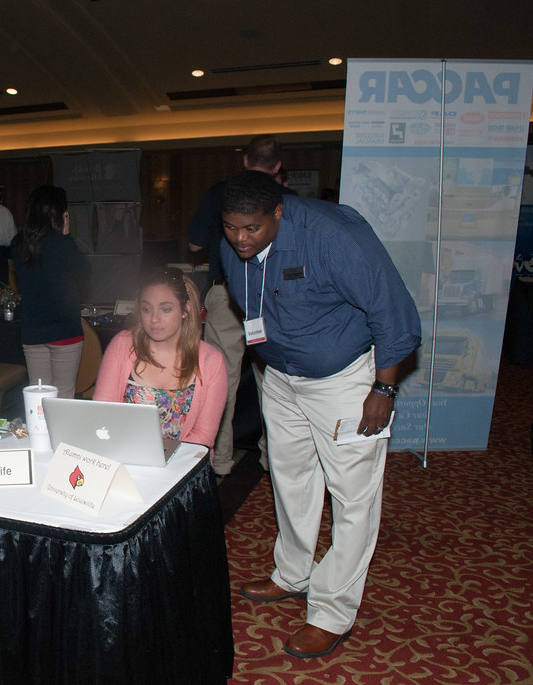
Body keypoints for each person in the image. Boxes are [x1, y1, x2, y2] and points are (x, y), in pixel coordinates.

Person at [219, 170, 421, 659]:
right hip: (282, 376)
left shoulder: (335, 238)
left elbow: (394, 312)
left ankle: (332, 611)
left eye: (252, 229)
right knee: (289, 476)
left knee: (352, 496)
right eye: (231, 228)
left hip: (345, 381)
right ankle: (292, 572)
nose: (240, 239)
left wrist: (384, 388)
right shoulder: (234, 236)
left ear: (279, 213)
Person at [186, 134, 298, 476]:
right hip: (276, 297)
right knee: (274, 381)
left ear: (245, 161)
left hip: (227, 295)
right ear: (278, 166)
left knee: (222, 379)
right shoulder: (289, 201)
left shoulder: (220, 193)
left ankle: (219, 459)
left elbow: (193, 244)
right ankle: (271, 456)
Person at [93, 267, 226, 448]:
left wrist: (163, 461)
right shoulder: (122, 345)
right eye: (147, 309)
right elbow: (102, 414)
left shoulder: (211, 360)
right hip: (125, 455)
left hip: (184, 465)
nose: (154, 319)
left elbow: (203, 436)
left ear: (185, 309)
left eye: (166, 309)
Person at [10, 185, 89, 399]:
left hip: (33, 330)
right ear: (59, 213)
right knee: (63, 397)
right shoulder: (62, 243)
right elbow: (84, 275)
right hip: (64, 330)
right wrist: (65, 234)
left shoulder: (18, 244)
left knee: (39, 398)